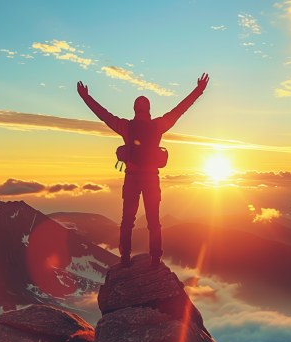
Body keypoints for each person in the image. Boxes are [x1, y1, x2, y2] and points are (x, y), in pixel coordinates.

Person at [77, 73, 209, 267]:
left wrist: (85, 97)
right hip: (151, 179)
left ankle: (125, 258)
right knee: (153, 222)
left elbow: (103, 115)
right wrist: (199, 90)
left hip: (131, 179)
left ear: (134, 109)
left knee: (127, 221)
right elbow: (180, 110)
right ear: (148, 109)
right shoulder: (158, 125)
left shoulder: (125, 127)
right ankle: (155, 257)